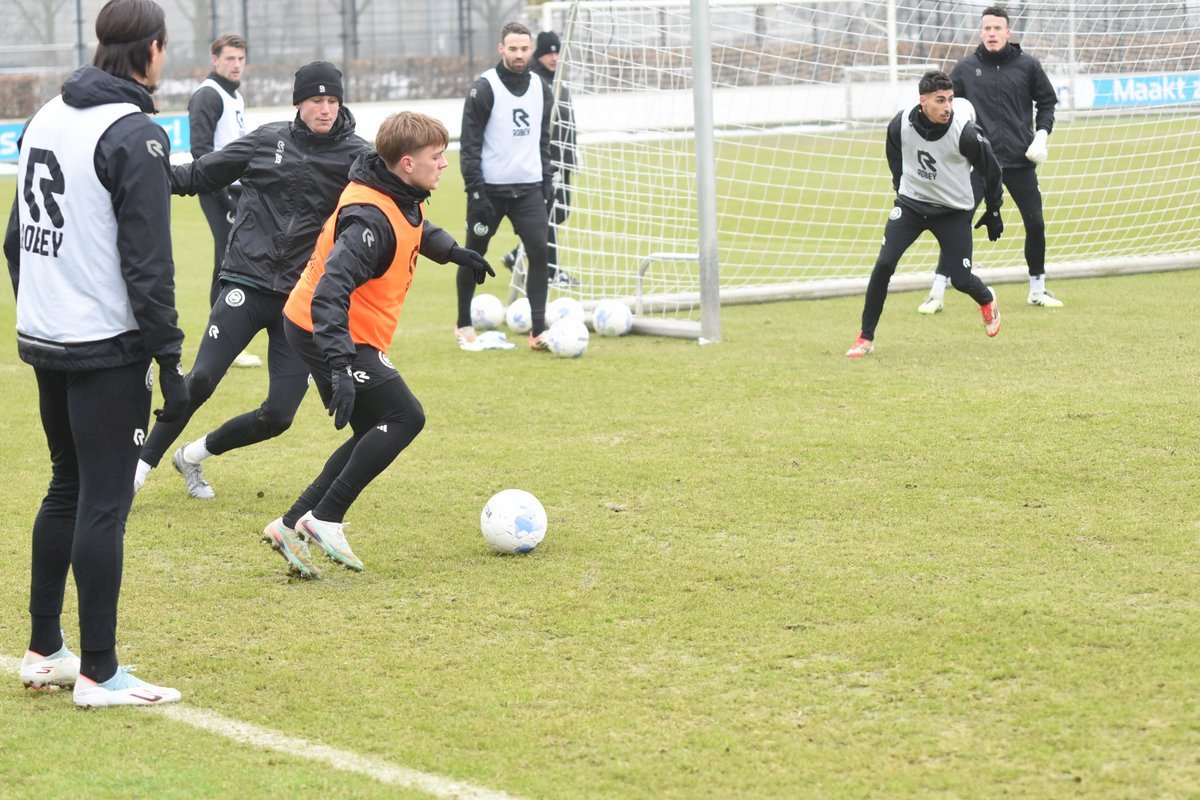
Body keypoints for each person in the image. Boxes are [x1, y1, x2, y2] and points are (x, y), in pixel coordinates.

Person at [4, 0, 186, 706]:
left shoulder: (46, 115)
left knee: (67, 487)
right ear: (152, 50)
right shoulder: (134, 132)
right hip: (105, 345)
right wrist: (169, 357)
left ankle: (45, 649)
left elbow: (14, 239)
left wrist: (41, 306)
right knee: (104, 502)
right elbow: (149, 263)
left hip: (47, 337)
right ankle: (100, 672)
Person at [266, 112, 493, 577]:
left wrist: (452, 251)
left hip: (334, 327)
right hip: (326, 328)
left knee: (374, 427)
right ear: (407, 163)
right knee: (406, 416)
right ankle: (325, 519)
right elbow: (330, 291)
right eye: (436, 157)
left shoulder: (399, 192)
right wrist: (340, 365)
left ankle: (290, 525)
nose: (444, 164)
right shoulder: (368, 218)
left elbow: (415, 227)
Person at [133, 61, 371, 499]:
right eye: (316, 100)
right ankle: (139, 468)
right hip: (247, 280)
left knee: (279, 416)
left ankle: (192, 456)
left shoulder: (358, 156)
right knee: (201, 379)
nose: (325, 109)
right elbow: (199, 174)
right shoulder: (267, 140)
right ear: (298, 103)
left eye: (332, 100)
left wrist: (445, 248)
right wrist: (141, 176)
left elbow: (391, 205)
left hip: (300, 300)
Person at [846, 70, 1003, 359]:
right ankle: (865, 338)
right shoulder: (901, 123)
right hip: (912, 206)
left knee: (961, 280)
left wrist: (994, 209)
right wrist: (900, 187)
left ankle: (987, 299)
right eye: (940, 100)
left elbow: (992, 170)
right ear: (923, 101)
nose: (947, 107)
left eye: (951, 99)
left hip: (952, 211)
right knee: (884, 265)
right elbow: (894, 153)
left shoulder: (965, 133)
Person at [916, 5, 1061, 314]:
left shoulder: (1028, 65)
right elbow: (946, 108)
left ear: (1008, 32)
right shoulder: (965, 69)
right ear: (980, 32)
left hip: (1020, 161)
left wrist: (1042, 134)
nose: (992, 33)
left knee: (1035, 224)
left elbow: (1047, 102)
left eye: (997, 28)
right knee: (958, 224)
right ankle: (936, 293)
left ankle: (1037, 289)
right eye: (987, 28)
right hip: (979, 163)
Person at [455, 21, 556, 351]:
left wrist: (547, 180)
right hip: (490, 191)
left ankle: (537, 332)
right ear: (502, 49)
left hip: (528, 190)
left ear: (531, 50)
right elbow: (469, 145)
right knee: (474, 256)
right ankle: (463, 323)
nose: (519, 54)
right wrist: (476, 190)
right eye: (513, 49)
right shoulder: (484, 88)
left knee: (540, 253)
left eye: (524, 49)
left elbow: (543, 140)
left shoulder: (542, 88)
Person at [188, 33, 261, 368]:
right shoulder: (208, 95)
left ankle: (224, 343)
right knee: (228, 265)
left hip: (237, 190)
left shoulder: (234, 96)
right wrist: (224, 197)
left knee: (230, 264)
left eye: (240, 59)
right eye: (230, 58)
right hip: (219, 191)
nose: (236, 65)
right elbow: (201, 152)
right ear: (215, 59)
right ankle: (222, 344)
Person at [501, 29, 579, 287]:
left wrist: (572, 154)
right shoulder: (535, 81)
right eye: (549, 53)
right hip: (547, 161)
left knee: (559, 212)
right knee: (550, 214)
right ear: (539, 54)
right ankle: (551, 271)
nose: (554, 58)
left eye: (558, 53)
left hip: (563, 159)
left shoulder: (556, 79)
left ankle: (518, 255)